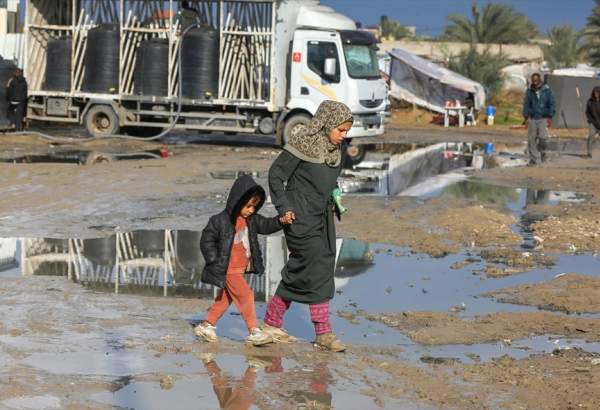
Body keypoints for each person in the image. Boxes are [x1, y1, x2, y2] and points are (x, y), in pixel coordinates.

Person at [260, 100, 354, 352]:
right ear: (326, 125)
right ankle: (321, 331)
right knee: (310, 265)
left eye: (347, 131)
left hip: (322, 217)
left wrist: (335, 196)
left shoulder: (336, 152)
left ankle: (274, 322)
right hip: (299, 217)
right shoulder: (303, 144)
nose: (344, 136)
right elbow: (276, 175)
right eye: (341, 130)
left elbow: (328, 181)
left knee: (318, 266)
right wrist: (283, 207)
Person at [194, 175, 292, 346]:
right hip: (229, 268)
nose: (251, 210)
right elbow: (206, 240)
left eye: (254, 206)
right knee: (246, 295)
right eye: (248, 206)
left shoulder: (252, 220)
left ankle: (206, 325)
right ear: (237, 201)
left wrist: (281, 221)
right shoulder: (220, 220)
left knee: (226, 298)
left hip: (240, 268)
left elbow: (268, 225)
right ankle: (254, 331)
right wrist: (214, 260)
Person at [523, 73, 555, 165]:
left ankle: (543, 152)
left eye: (536, 80)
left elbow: (552, 104)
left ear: (540, 80)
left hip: (543, 117)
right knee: (531, 139)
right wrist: (526, 117)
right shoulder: (529, 91)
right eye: (533, 81)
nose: (535, 82)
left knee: (543, 138)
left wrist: (550, 116)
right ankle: (533, 159)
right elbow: (526, 104)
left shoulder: (547, 91)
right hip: (533, 118)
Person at [585, 86, 600, 158]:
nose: (596, 94)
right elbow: (587, 112)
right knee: (590, 137)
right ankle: (589, 153)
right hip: (593, 123)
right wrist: (590, 120)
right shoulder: (590, 101)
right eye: (594, 92)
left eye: (597, 92)